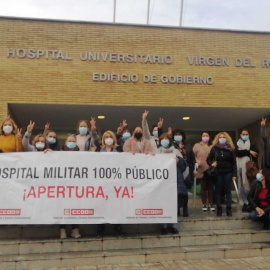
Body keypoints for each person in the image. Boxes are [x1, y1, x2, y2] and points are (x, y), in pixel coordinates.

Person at [157, 133, 187, 235]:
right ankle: (163, 226)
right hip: (161, 182)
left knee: (173, 204)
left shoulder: (176, 151)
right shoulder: (158, 152)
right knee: (163, 204)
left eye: (166, 139)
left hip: (174, 181)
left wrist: (179, 161)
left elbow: (184, 167)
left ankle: (173, 225)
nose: (164, 140)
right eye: (162, 139)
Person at [96, 130, 123, 237]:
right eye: (106, 136)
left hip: (116, 183)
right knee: (101, 206)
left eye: (110, 136)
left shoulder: (119, 149)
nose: (108, 138)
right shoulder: (98, 149)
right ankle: (100, 229)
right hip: (102, 182)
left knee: (116, 206)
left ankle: (118, 228)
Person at [207, 132, 237, 216]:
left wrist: (234, 174)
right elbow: (208, 159)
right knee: (218, 190)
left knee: (228, 190)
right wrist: (212, 163)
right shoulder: (214, 149)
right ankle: (219, 208)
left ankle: (228, 208)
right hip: (218, 172)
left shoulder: (231, 149)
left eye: (224, 137)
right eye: (220, 137)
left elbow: (234, 163)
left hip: (228, 172)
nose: (222, 138)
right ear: (218, 139)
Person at [60, 134, 81, 239]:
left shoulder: (81, 154)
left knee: (74, 207)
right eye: (70, 140)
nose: (72, 142)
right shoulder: (59, 153)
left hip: (75, 185)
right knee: (62, 207)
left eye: (73, 141)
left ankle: (74, 229)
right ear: (65, 142)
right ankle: (62, 229)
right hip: (63, 185)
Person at [173, 129, 195, 217]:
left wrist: (193, 169)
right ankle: (177, 209)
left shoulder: (188, 146)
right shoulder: (172, 146)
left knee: (185, 191)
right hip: (176, 171)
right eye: (176, 134)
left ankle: (185, 209)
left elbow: (192, 159)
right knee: (177, 191)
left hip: (186, 170)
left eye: (179, 134)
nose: (177, 136)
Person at [236, 129, 259, 212]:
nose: (245, 135)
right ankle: (245, 203)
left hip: (250, 169)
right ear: (240, 135)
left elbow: (256, 154)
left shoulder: (252, 143)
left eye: (246, 134)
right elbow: (237, 153)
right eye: (243, 134)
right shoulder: (237, 143)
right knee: (243, 186)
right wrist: (249, 151)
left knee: (251, 185)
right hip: (240, 168)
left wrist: (244, 152)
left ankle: (251, 203)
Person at [193, 132, 215, 212]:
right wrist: (197, 161)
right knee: (203, 187)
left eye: (207, 136)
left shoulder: (212, 146)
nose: (205, 137)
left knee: (210, 188)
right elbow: (192, 155)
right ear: (201, 137)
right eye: (203, 136)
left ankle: (211, 203)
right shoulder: (197, 145)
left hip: (211, 169)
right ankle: (204, 204)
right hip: (201, 169)